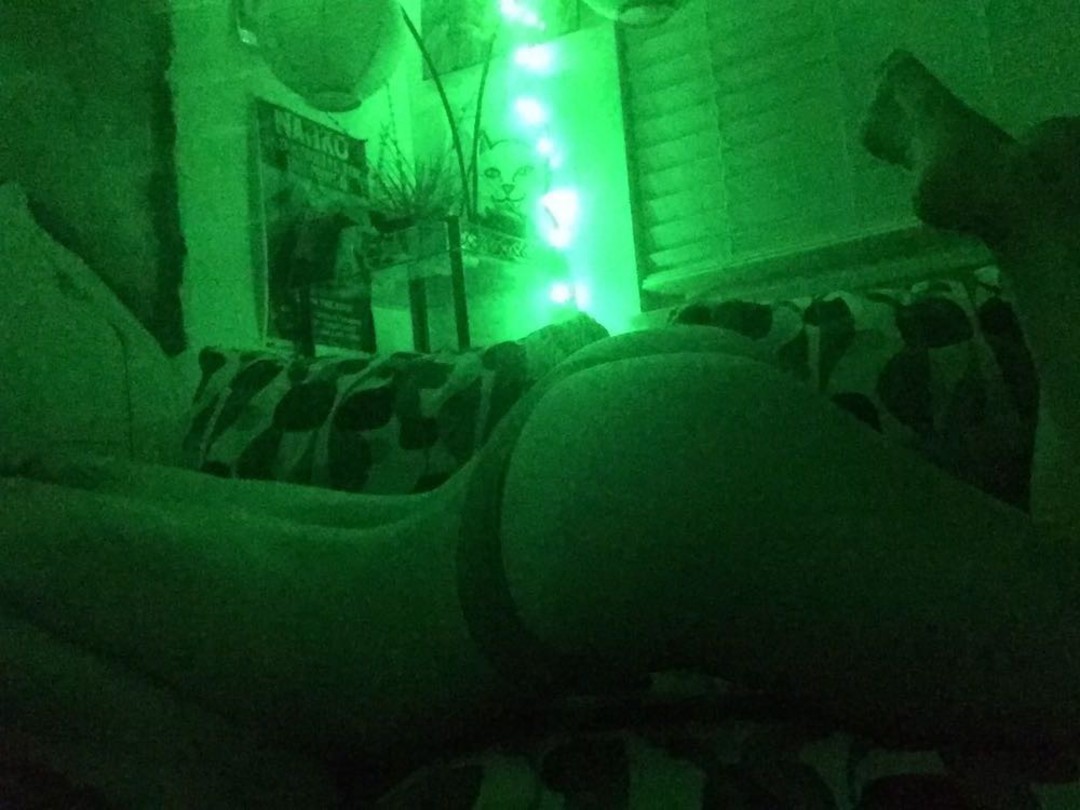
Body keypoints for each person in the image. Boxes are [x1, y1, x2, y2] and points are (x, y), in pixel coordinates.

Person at [2, 47, 1080, 801]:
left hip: (663, 434)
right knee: (349, 611)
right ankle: (1035, 219)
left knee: (364, 559)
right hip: (656, 472)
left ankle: (66, 478)